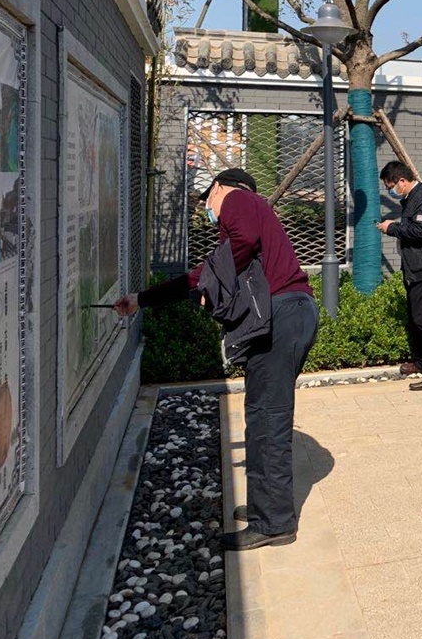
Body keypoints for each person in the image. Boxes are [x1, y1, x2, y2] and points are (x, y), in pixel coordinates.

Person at [113, 168, 318, 551]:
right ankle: (265, 508)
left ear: (220, 187)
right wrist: (142, 300)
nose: (209, 208)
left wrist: (215, 280)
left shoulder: (237, 197)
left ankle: (274, 523)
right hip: (285, 317)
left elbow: (239, 244)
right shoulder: (248, 225)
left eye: (208, 198)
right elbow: (200, 277)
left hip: (283, 316)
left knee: (268, 420)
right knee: (260, 415)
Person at [377, 161, 422, 381]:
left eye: (390, 187)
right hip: (414, 269)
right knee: (415, 319)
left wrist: (392, 228)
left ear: (402, 181)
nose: (390, 191)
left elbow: (419, 231)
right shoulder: (410, 199)